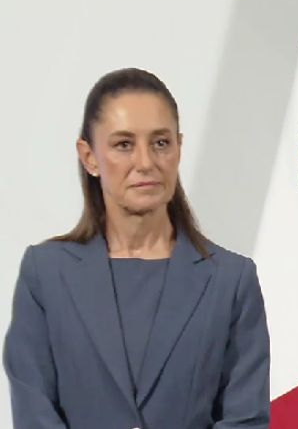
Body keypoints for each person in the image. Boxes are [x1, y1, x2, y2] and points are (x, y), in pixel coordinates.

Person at [4, 68, 270, 428]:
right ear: (89, 157)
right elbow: (35, 416)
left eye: (160, 142)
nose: (146, 162)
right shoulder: (46, 274)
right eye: (123, 144)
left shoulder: (231, 280)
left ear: (178, 148)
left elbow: (245, 420)